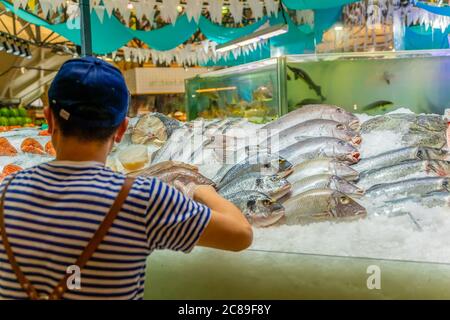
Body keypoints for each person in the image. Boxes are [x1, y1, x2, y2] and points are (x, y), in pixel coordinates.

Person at [0, 57, 253, 300]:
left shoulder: (5, 192)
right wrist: (201, 190)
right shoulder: (143, 198)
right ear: (121, 129)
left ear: (49, 119)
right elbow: (240, 235)